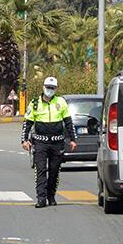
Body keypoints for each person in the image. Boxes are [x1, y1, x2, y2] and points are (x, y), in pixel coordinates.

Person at [21, 77, 77, 208]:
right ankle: (41, 198)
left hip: (57, 143)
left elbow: (68, 122)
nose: (49, 90)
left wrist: (73, 139)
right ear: (43, 87)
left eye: (52, 88)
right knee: (40, 170)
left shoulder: (61, 102)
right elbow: (27, 123)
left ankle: (51, 196)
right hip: (40, 143)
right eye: (48, 87)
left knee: (54, 171)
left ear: (56, 89)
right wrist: (24, 140)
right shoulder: (35, 103)